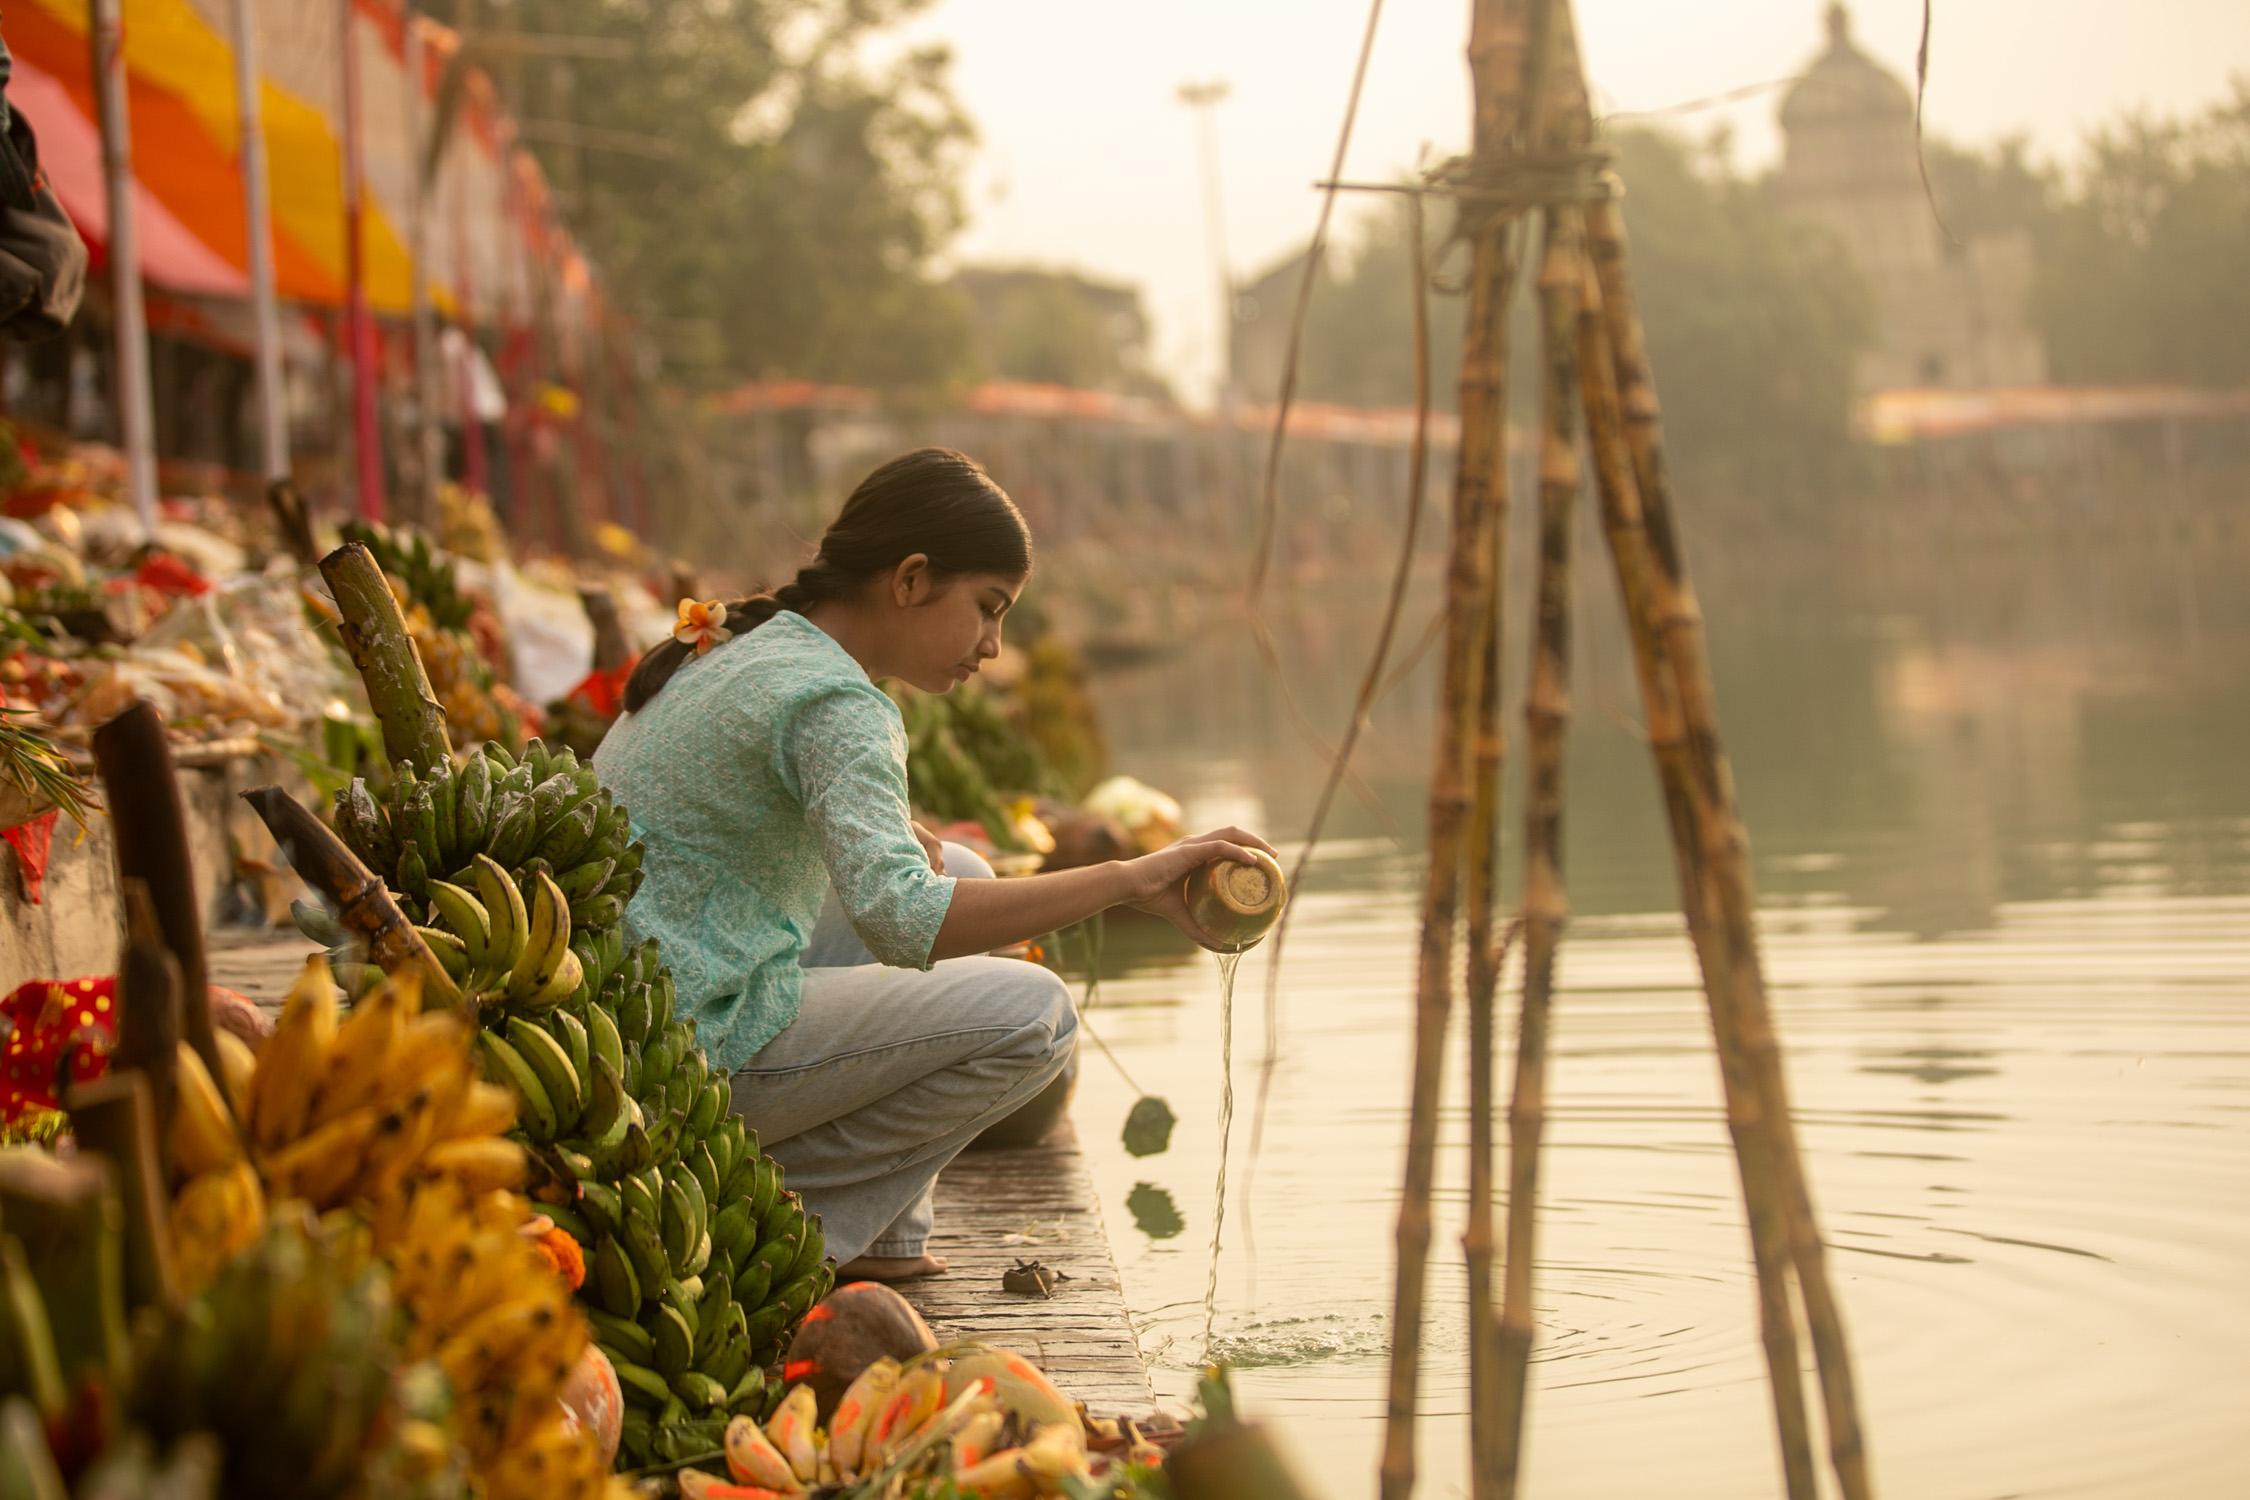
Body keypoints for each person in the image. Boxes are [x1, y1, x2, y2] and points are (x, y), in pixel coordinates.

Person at [594, 448, 1273, 1281]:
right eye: (988, 609)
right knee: (1038, 1017)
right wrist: (1131, 879)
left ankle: (885, 1238)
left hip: (636, 1011)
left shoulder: (757, 649)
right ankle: (776, 1211)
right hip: (678, 1058)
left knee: (967, 874)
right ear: (911, 579)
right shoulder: (837, 699)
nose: (993, 645)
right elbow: (905, 921)